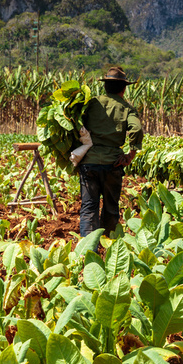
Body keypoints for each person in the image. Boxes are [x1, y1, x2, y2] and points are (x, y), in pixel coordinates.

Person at [78, 66, 143, 241]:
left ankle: (87, 251)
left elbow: (77, 125)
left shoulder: (92, 103)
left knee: (88, 208)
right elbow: (136, 129)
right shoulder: (126, 108)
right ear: (123, 89)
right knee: (110, 208)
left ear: (105, 86)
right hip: (112, 164)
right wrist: (131, 155)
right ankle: (108, 248)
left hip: (89, 162)